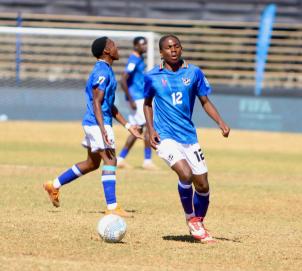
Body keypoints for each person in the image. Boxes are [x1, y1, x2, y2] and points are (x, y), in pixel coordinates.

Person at [143, 34, 230, 243]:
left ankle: (198, 221)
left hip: (189, 136)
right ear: (161, 52)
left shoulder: (194, 73)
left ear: (181, 49)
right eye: (168, 47)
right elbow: (147, 103)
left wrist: (220, 122)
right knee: (185, 173)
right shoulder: (152, 76)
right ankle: (190, 218)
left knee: (203, 185)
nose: (173, 50)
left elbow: (205, 101)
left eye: (176, 46)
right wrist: (151, 128)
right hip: (165, 136)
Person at [43, 36, 142, 217]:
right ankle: (112, 207)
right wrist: (103, 129)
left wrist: (128, 125)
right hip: (98, 124)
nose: (116, 47)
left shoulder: (106, 70)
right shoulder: (102, 72)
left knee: (92, 163)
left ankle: (54, 185)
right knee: (111, 160)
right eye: (113, 45)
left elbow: (109, 105)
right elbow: (97, 102)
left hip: (95, 123)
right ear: (106, 51)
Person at [117, 36, 157, 170]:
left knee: (138, 129)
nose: (145, 47)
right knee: (147, 126)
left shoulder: (139, 59)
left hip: (139, 97)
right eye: (142, 45)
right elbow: (123, 79)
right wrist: (131, 98)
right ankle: (147, 161)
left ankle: (120, 159)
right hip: (137, 98)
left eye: (145, 44)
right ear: (135, 46)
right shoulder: (133, 60)